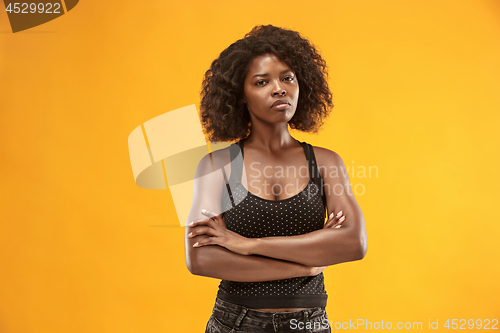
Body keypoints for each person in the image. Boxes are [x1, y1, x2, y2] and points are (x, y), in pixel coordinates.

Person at [185, 25, 367, 333]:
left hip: (308, 324)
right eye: (262, 81)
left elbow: (353, 242)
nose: (279, 88)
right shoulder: (218, 165)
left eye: (287, 78)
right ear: (240, 95)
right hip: (236, 322)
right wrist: (307, 263)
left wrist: (248, 245)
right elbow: (201, 258)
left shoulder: (324, 162)